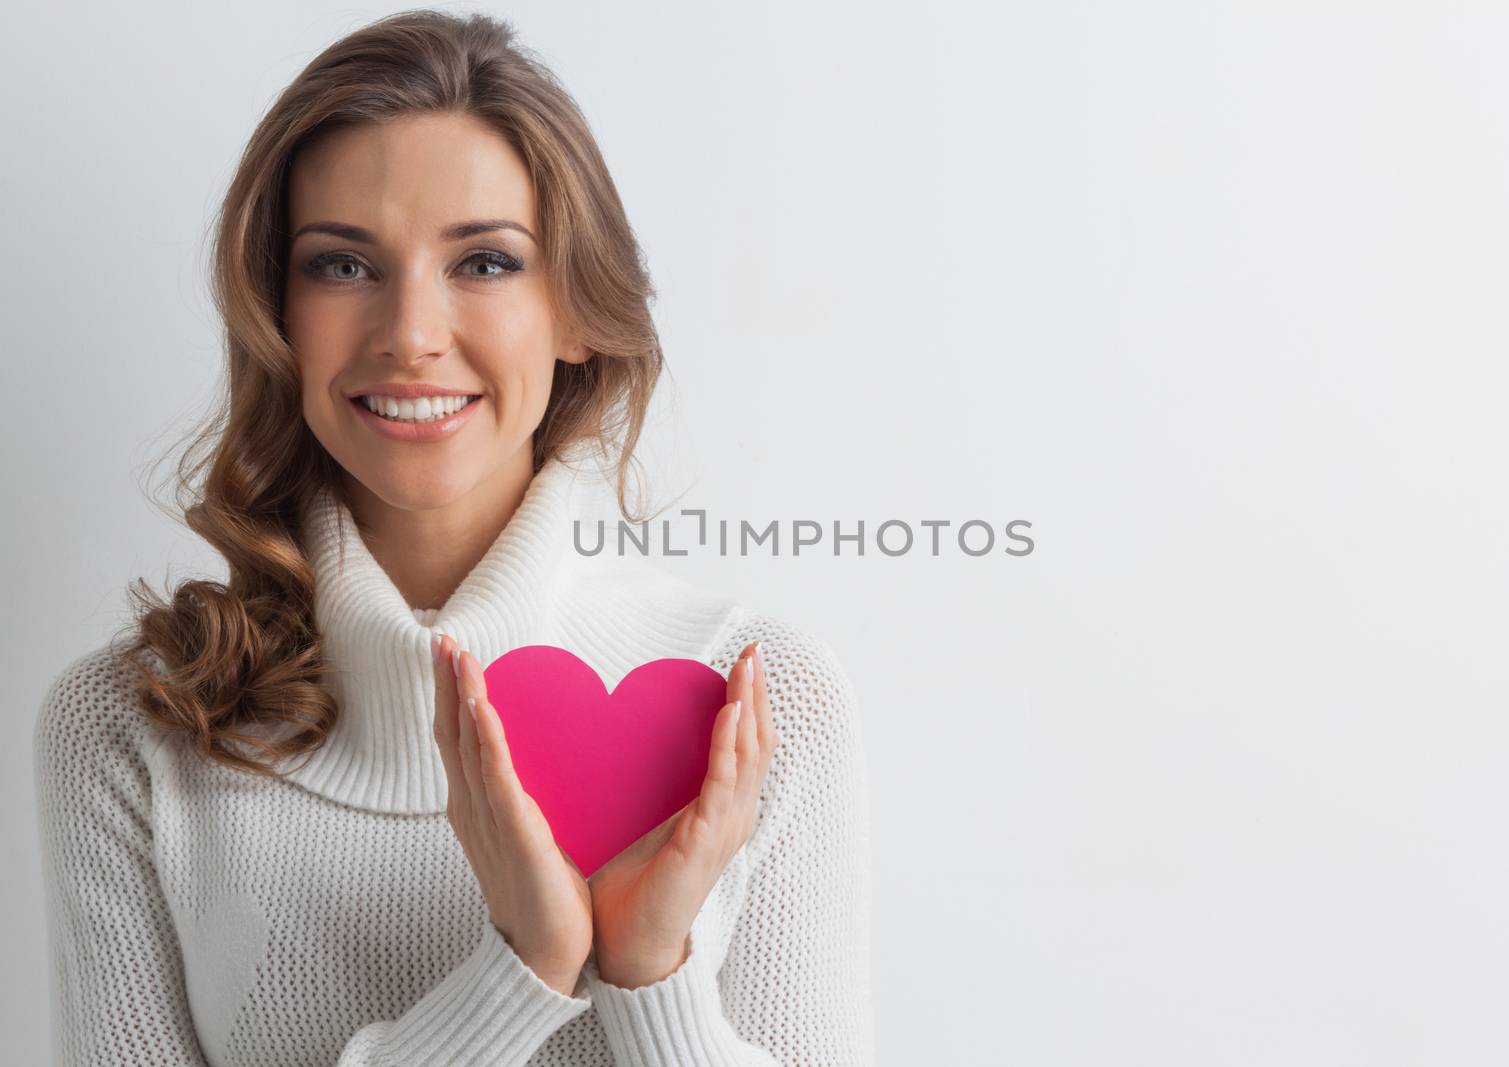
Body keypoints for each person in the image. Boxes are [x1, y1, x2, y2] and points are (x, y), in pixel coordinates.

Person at [30, 10, 875, 1066]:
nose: (411, 333)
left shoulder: (757, 699)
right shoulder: (131, 726)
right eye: (342, 266)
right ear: (274, 313)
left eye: (483, 263)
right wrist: (518, 975)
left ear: (575, 309)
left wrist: (651, 974)